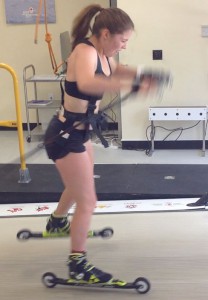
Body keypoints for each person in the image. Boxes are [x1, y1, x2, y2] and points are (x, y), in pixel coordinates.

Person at [43, 4, 156, 284]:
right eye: (123, 40)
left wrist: (145, 75)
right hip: (66, 134)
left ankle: (57, 222)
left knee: (79, 185)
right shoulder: (85, 52)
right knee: (88, 201)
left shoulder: (104, 54)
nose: (124, 46)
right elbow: (87, 83)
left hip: (81, 133)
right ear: (106, 34)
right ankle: (77, 264)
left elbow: (121, 70)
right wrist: (130, 87)